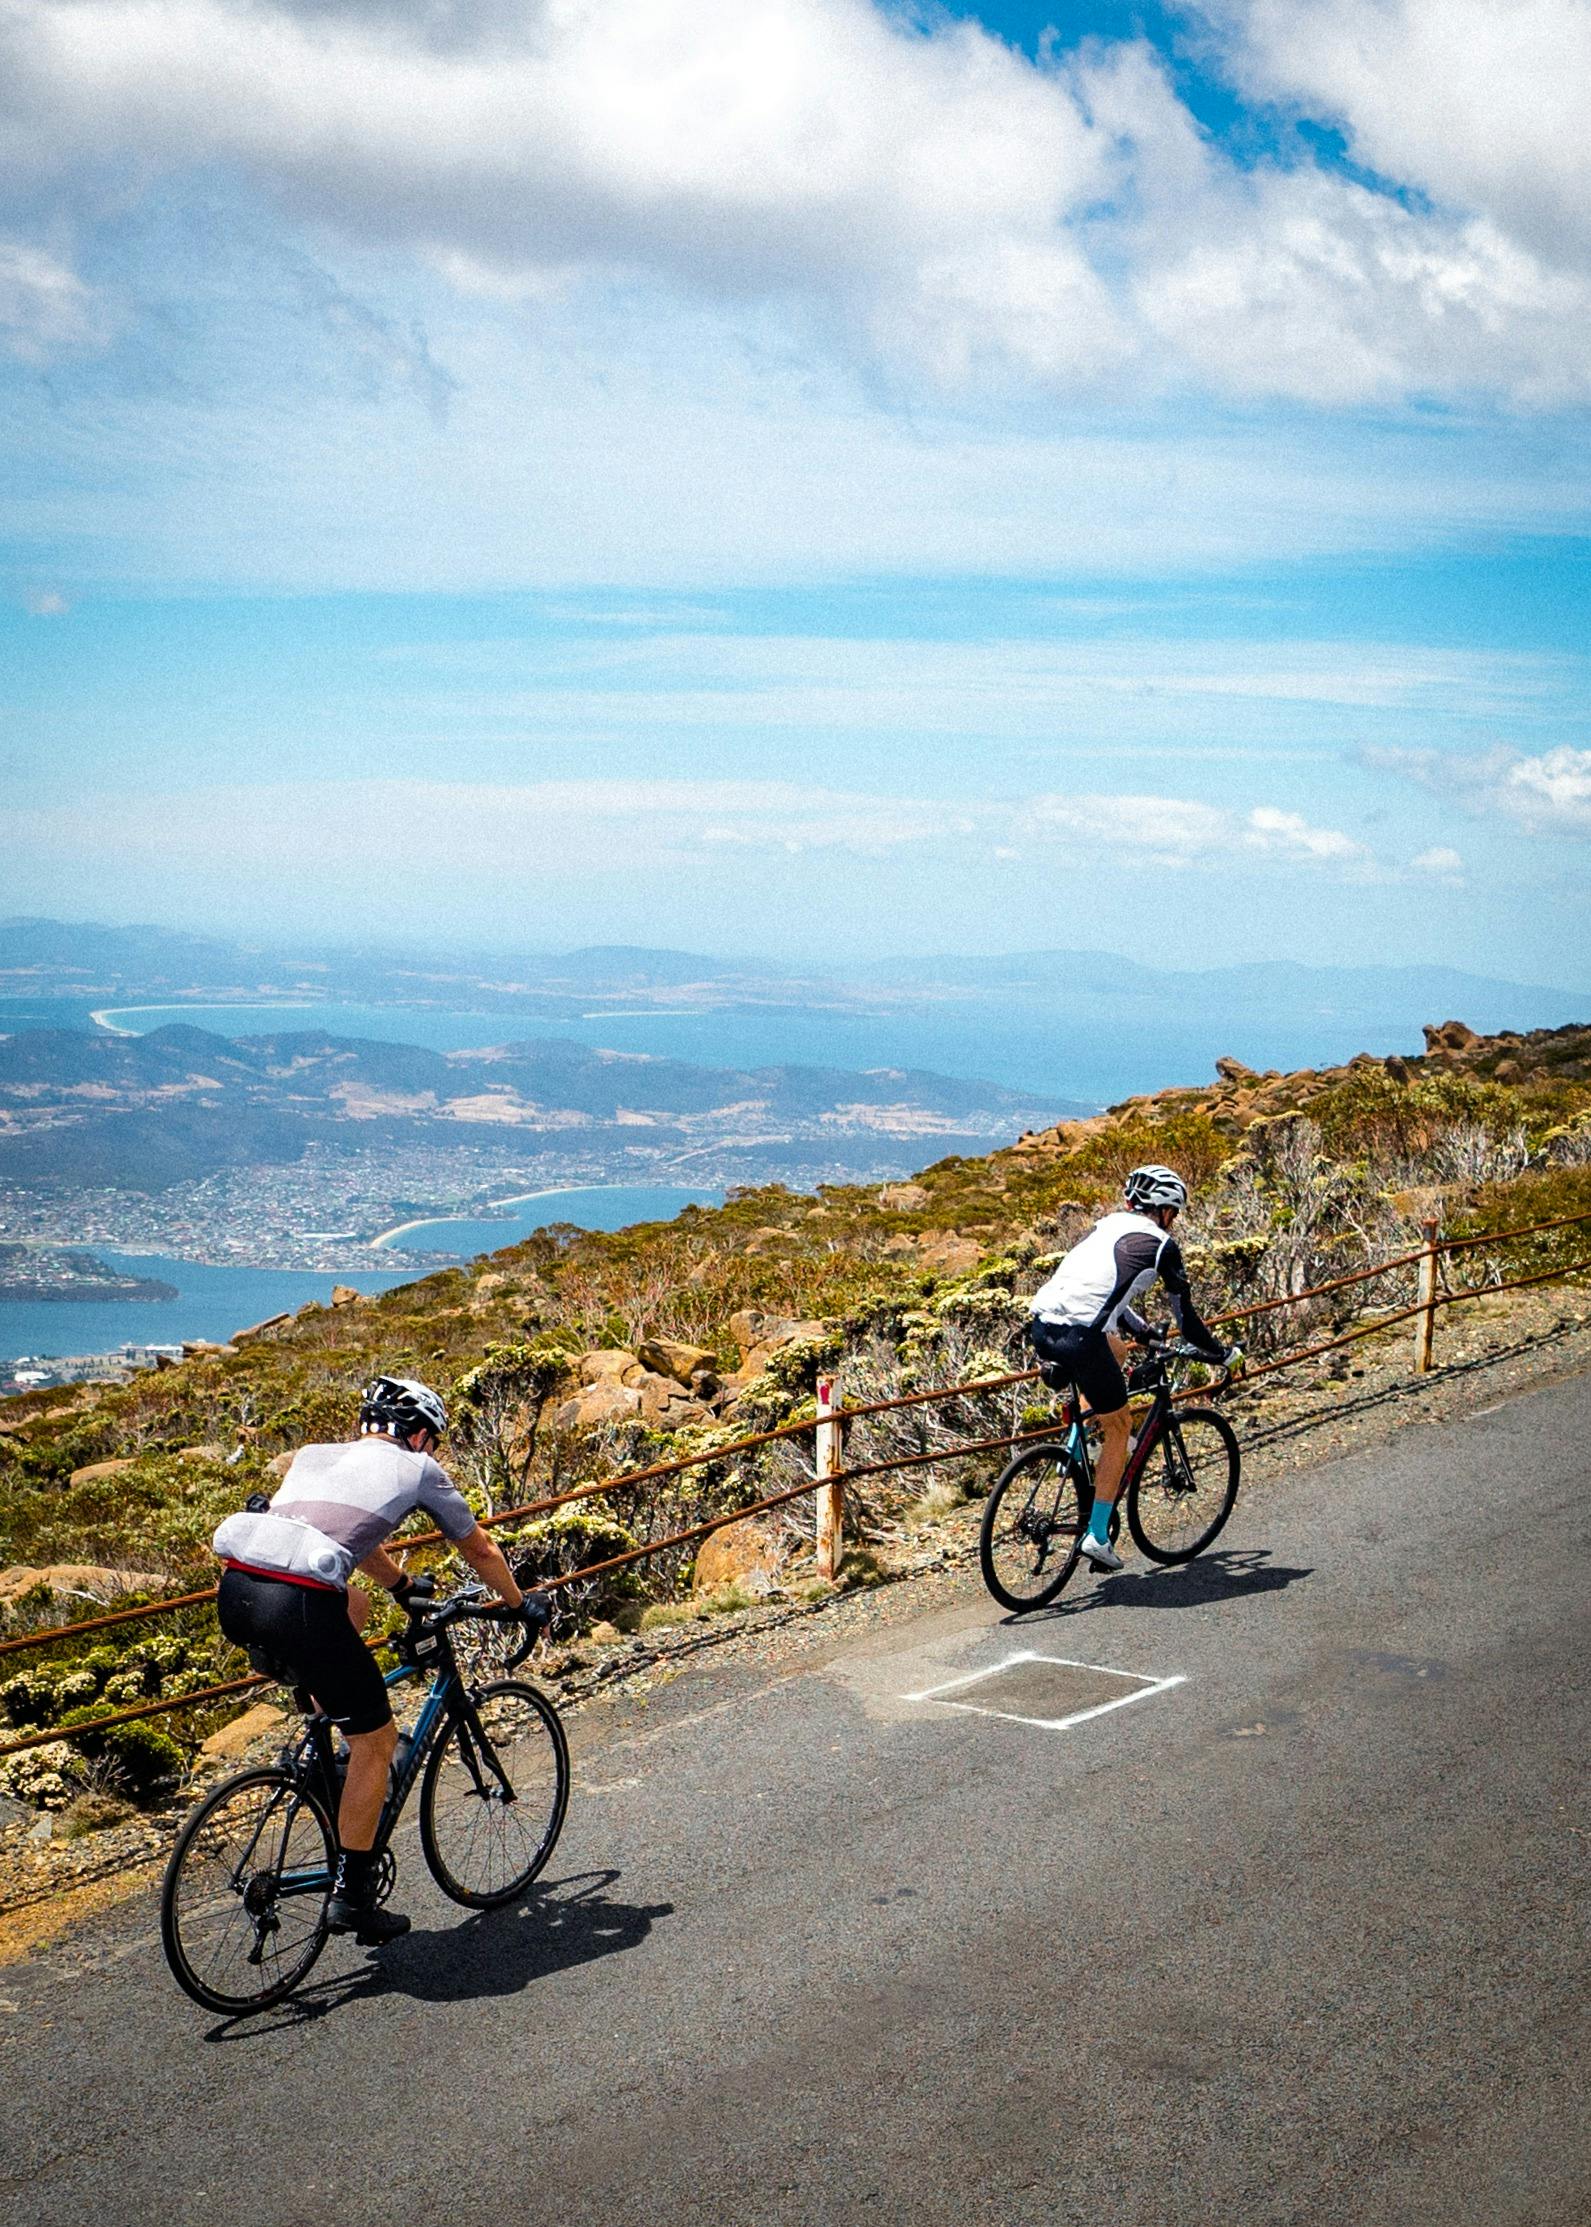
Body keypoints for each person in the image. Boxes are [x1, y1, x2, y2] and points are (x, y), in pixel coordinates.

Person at [212, 1374, 537, 1946]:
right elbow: (479, 1547)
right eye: (432, 1439)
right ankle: (353, 1896)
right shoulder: (418, 1469)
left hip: (238, 1594)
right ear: (419, 1435)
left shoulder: (315, 1455)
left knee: (352, 1602)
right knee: (378, 1741)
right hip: (299, 1605)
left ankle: (321, 1737)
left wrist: (402, 1583)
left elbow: (339, 1537)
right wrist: (517, 1604)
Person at [1026, 1164, 1231, 1572]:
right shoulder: (1162, 1246)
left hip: (1042, 1325)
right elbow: (1187, 1320)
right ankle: (1097, 1535)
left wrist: (1144, 1332)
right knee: (1120, 1425)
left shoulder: (1105, 1227)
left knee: (1116, 1350)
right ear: (1168, 1211)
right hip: (1080, 1337)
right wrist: (1222, 1354)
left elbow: (1105, 1295)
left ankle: (1084, 1436)